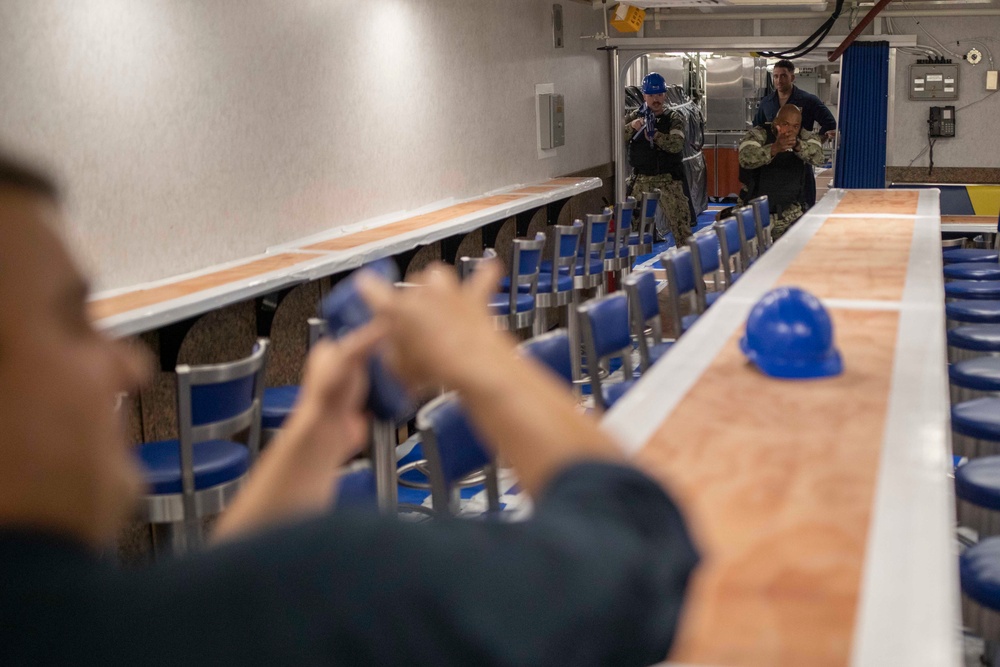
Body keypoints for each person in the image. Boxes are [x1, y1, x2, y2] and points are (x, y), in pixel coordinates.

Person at [0, 152, 698, 666]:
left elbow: (217, 608)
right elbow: (638, 551)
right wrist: (482, 357)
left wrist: (313, 436)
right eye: (70, 320)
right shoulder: (334, 584)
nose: (129, 363)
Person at [624, 72, 697, 245]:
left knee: (681, 228)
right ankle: (627, 270)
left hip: (668, 178)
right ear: (644, 96)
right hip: (641, 178)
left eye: (659, 95)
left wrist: (655, 136)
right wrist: (632, 127)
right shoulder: (635, 117)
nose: (655, 99)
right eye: (651, 95)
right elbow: (616, 137)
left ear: (664, 95)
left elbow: (676, 144)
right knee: (629, 229)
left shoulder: (674, 118)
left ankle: (688, 267)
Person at [753, 59, 836, 208]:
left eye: (783, 75)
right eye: (776, 76)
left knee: (804, 205)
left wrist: (814, 142)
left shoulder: (808, 100)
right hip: (775, 163)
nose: (779, 80)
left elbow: (829, 123)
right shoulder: (767, 102)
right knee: (775, 207)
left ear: (792, 77)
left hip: (800, 160)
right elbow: (757, 128)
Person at [738, 104, 826, 240]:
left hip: (790, 214)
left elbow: (819, 157)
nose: (790, 130)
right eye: (786, 124)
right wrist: (774, 148)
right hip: (755, 213)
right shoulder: (758, 134)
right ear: (776, 122)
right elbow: (745, 158)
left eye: (795, 126)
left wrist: (797, 146)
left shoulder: (804, 136)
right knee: (754, 258)